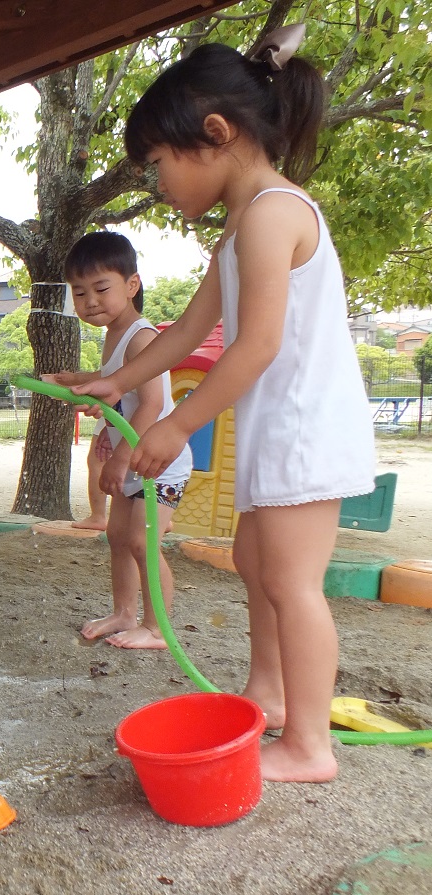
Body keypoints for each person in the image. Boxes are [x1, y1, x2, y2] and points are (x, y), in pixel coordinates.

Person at [63, 25, 375, 782]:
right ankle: (268, 695)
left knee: (291, 582)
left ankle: (309, 744)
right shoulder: (239, 226)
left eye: (158, 163)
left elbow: (257, 344)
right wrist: (115, 383)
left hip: (304, 427)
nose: (158, 183)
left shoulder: (273, 213)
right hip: (276, 427)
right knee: (251, 560)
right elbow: (187, 331)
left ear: (214, 133)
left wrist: (176, 424)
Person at [53, 231, 191, 650]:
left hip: (159, 461)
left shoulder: (141, 337)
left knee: (142, 542)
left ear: (132, 285)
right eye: (79, 293)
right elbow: (115, 388)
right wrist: (101, 428)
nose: (90, 301)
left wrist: (120, 458)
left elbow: (151, 404)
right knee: (117, 538)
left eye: (101, 288)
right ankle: (123, 613)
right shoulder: (115, 334)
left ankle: (156, 628)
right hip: (134, 456)